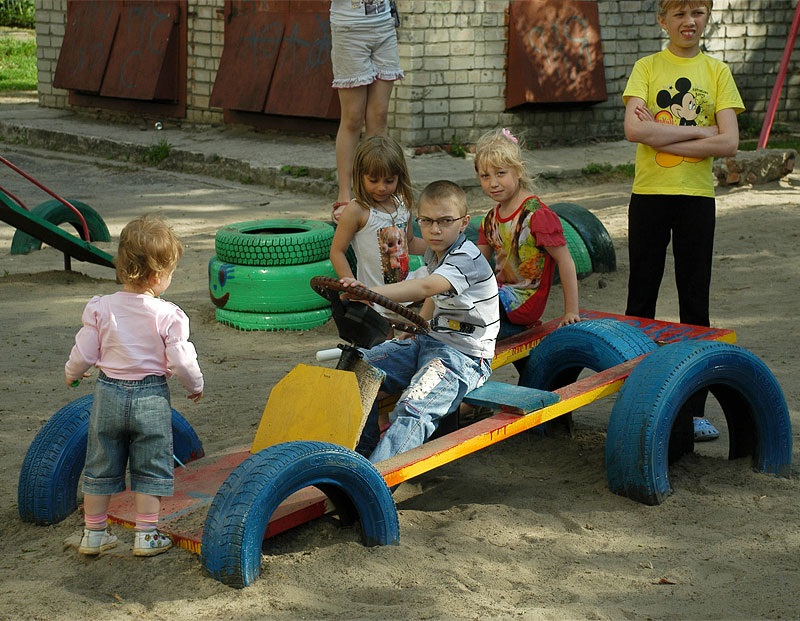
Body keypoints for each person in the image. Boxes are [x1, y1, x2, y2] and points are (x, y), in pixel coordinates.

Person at [622, 0, 744, 441]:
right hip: (649, 196)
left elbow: (729, 143)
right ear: (662, 20)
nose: (688, 21)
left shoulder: (717, 71)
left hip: (696, 199)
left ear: (706, 16)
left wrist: (665, 133)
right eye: (679, 13)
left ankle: (694, 412)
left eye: (697, 12)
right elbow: (635, 132)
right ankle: (633, 402)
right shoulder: (646, 67)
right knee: (641, 302)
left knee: (695, 305)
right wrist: (702, 133)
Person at [65, 215, 204, 557]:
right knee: (150, 464)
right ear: (158, 276)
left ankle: (94, 533)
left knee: (100, 462)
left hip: (108, 393)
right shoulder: (168, 315)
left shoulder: (101, 307)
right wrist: (194, 384)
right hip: (151, 397)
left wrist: (72, 373)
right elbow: (181, 359)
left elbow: (85, 350)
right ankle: (146, 535)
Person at [341, 180, 500, 463]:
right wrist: (419, 328)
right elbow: (436, 297)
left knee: (413, 407)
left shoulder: (466, 258)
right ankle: (359, 459)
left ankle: (377, 482)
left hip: (463, 358)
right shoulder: (436, 251)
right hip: (429, 342)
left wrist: (368, 292)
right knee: (356, 370)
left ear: (464, 222)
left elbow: (427, 288)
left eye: (445, 221)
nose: (435, 229)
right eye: (427, 221)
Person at [474, 128, 581, 342]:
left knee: (469, 313)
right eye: (485, 176)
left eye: (500, 173)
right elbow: (474, 264)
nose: (493, 183)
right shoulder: (489, 219)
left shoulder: (536, 216)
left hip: (524, 301)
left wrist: (571, 311)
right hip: (499, 295)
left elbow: (565, 260)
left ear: (519, 171)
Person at [329, 0, 404, 222]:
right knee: (352, 118)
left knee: (379, 117)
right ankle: (345, 194)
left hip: (384, 26)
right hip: (349, 27)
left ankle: (377, 190)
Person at [330, 135, 427, 292]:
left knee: (438, 282)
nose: (382, 188)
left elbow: (410, 243)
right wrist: (352, 286)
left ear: (399, 177)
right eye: (373, 180)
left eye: (389, 181)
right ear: (360, 176)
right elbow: (337, 251)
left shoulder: (403, 205)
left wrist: (442, 247)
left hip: (405, 289)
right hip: (374, 294)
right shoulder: (357, 210)